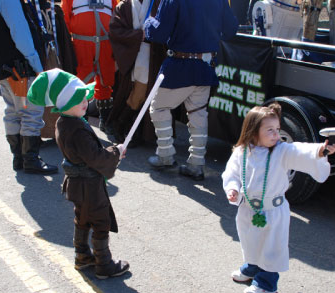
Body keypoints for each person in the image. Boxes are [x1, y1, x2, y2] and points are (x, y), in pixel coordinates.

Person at [221, 103, 335, 293]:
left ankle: (266, 283)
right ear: (253, 130)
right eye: (270, 130)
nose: (276, 134)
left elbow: (301, 151)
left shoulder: (282, 150)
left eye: (277, 129)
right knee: (250, 240)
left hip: (273, 212)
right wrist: (232, 188)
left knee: (271, 247)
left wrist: (322, 150)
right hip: (248, 207)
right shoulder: (242, 151)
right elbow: (231, 173)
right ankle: (252, 267)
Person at [27, 68, 130, 279]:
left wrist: (113, 153)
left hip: (77, 184)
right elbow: (95, 157)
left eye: (85, 98)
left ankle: (82, 257)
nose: (85, 103)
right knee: (100, 221)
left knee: (82, 219)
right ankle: (104, 264)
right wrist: (115, 152)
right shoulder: (76, 129)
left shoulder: (65, 122)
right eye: (79, 99)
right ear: (65, 104)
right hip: (88, 185)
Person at [144, 0, 238, 181]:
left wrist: (148, 22)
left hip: (180, 65)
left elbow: (159, 34)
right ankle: (196, 164)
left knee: (159, 108)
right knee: (198, 113)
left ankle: (165, 156)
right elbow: (230, 30)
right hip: (205, 66)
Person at [0, 0, 58, 174]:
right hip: (20, 69)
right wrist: (38, 66)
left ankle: (19, 158)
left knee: (13, 112)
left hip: (5, 68)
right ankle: (30, 159)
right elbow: (21, 34)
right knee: (31, 113)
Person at [108, 0, 166, 147]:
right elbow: (115, 31)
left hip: (152, 56)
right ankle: (121, 125)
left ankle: (134, 129)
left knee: (148, 95)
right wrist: (137, 35)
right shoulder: (125, 6)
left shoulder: (159, 3)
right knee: (137, 94)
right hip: (132, 55)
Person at [61, 0, 118, 135]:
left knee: (106, 81)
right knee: (80, 83)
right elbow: (64, 19)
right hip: (81, 43)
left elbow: (117, 16)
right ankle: (81, 121)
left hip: (105, 43)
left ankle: (106, 120)